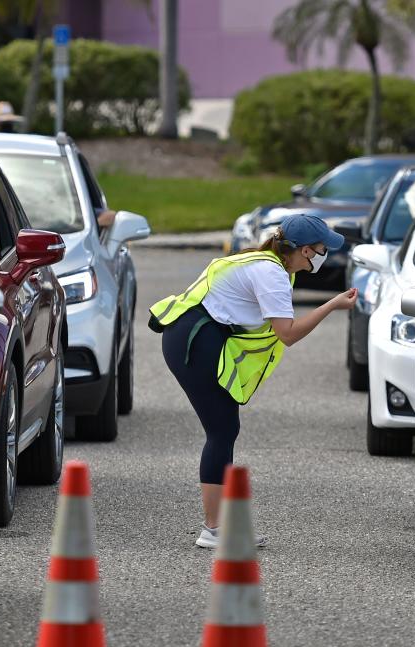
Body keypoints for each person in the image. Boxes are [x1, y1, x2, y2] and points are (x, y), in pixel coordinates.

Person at [149, 214, 358, 548]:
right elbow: (287, 335)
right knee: (221, 429)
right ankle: (214, 530)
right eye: (321, 249)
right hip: (193, 337)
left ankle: (219, 526)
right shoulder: (272, 273)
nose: (324, 255)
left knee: (225, 428)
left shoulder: (270, 265)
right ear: (305, 251)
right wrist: (332, 304)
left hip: (193, 333)